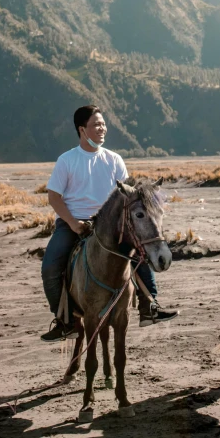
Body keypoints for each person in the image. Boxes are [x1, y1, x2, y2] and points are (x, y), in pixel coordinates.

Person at [40, 104, 178, 342]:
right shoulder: (67, 160)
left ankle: (149, 307)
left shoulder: (114, 160)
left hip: (110, 225)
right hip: (73, 223)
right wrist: (73, 224)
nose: (102, 128)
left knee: (140, 252)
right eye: (96, 124)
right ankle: (65, 322)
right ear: (82, 129)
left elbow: (127, 195)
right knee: (50, 267)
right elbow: (54, 197)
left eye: (103, 124)